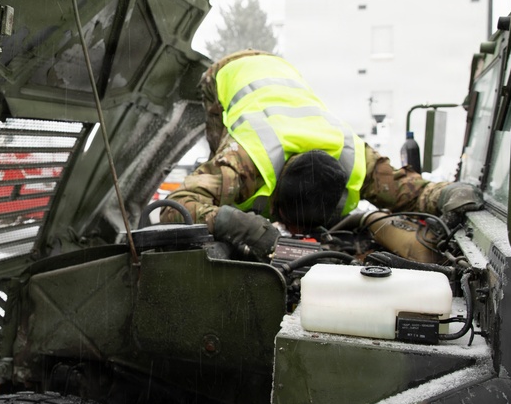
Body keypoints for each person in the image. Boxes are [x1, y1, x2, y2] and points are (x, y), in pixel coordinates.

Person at [161, 50, 483, 258]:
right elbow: (176, 208)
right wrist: (237, 225)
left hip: (284, 71)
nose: (299, 235)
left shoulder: (357, 160)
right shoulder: (242, 165)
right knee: (213, 224)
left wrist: (447, 194)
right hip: (227, 75)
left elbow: (412, 192)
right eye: (292, 226)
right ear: (276, 199)